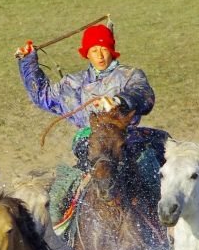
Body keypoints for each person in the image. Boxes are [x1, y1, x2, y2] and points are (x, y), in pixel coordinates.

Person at [16, 23, 167, 224]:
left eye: (104, 49)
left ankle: (166, 227)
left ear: (112, 50)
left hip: (126, 143)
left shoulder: (130, 75)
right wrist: (28, 63)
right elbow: (42, 96)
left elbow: (144, 95)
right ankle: (62, 237)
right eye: (94, 50)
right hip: (88, 146)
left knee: (156, 179)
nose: (100, 55)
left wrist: (120, 100)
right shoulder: (73, 83)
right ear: (86, 53)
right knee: (59, 197)